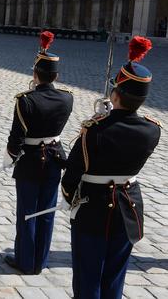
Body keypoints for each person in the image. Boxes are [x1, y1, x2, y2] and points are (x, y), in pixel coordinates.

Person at [61, 37, 161, 298]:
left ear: (115, 94)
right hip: (129, 208)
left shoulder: (93, 130)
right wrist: (110, 115)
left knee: (87, 276)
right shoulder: (152, 130)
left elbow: (72, 175)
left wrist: (102, 118)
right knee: (115, 276)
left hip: (93, 207)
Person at [3, 31, 74, 275]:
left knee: (27, 212)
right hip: (55, 159)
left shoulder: (26, 100)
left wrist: (10, 157)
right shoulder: (67, 98)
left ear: (35, 74)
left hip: (30, 161)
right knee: (46, 212)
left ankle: (25, 260)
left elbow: (16, 138)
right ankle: (41, 260)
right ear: (56, 76)